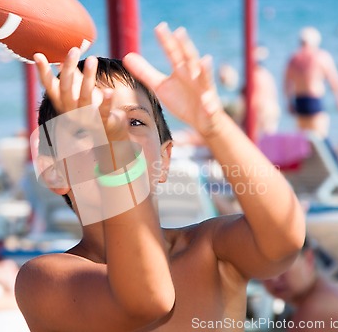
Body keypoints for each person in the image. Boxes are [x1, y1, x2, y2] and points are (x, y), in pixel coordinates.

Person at [15, 23, 305, 332]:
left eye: (135, 121)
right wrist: (116, 161)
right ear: (54, 169)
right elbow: (147, 301)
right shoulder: (44, 279)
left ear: (164, 160)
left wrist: (214, 125)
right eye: (87, 126)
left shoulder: (210, 250)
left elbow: (283, 240)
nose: (114, 134)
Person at [262, 239, 338, 332]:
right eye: (263, 269)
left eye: (283, 267)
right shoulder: (325, 295)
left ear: (309, 259)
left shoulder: (313, 312)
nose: (273, 278)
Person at [284, 27, 338, 137]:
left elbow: (287, 83)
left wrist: (289, 102)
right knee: (320, 137)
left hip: (299, 101)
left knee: (302, 140)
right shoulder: (321, 56)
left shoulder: (294, 58)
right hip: (314, 100)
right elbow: (334, 80)